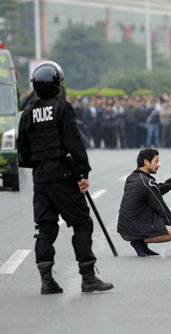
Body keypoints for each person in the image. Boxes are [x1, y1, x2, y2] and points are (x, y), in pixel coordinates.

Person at [17, 61, 113, 294]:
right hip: (63, 174)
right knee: (82, 222)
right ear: (58, 84)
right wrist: (82, 172)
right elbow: (74, 141)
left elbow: (23, 150)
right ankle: (88, 277)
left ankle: (46, 280)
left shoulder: (28, 112)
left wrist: (40, 164)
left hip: (40, 177)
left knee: (45, 227)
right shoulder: (62, 108)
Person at [117, 149, 171, 256]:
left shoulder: (133, 177)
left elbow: (155, 190)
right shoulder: (146, 182)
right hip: (134, 229)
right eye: (156, 161)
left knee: (150, 212)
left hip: (125, 228)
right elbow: (160, 206)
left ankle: (143, 245)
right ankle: (140, 242)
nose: (158, 165)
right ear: (146, 162)